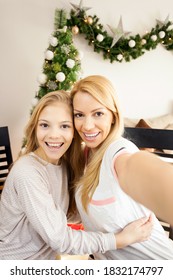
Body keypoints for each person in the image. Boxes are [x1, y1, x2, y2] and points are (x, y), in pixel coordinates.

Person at [0, 90, 152, 260]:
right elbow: (60, 240)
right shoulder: (27, 172)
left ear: (74, 132)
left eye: (64, 126)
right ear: (34, 127)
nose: (54, 135)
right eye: (44, 125)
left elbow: (69, 214)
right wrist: (120, 240)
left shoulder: (63, 164)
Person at [70, 75, 173, 260]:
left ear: (113, 116)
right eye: (79, 115)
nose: (87, 125)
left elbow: (136, 168)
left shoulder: (118, 151)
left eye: (98, 113)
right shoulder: (85, 155)